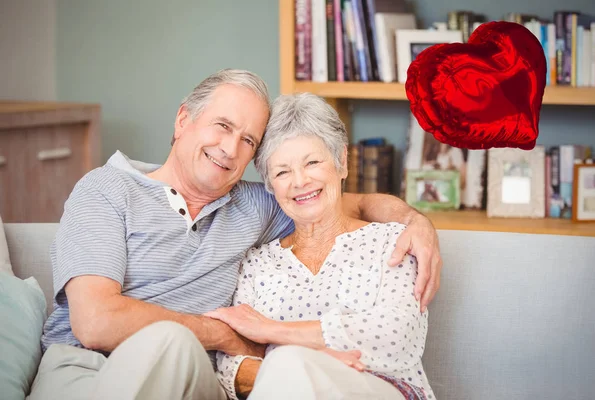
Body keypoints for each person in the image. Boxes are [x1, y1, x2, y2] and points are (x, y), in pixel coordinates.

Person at [27, 69, 441, 400]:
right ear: (183, 119)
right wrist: (221, 335)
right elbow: (95, 322)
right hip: (87, 370)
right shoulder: (106, 190)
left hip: (190, 377)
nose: (229, 148)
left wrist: (414, 220)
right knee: (169, 341)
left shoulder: (256, 205)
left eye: (248, 140)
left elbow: (336, 201)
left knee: (174, 346)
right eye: (222, 126)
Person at [206, 93, 435, 400]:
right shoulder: (257, 263)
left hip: (383, 390)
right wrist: (310, 364)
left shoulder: (393, 242)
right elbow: (231, 367)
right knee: (290, 367)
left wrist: (273, 332)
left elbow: (397, 336)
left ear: (342, 162)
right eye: (282, 172)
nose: (299, 181)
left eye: (312, 162)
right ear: (271, 187)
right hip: (285, 389)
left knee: (288, 361)